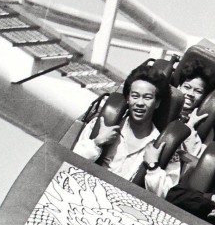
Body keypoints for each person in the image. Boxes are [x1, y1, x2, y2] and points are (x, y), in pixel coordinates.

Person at [72, 64, 181, 197]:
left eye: (147, 97)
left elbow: (167, 195)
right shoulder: (100, 125)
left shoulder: (163, 146)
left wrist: (153, 166)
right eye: (135, 96)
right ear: (128, 99)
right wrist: (96, 142)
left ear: (157, 103)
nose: (140, 103)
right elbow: (72, 159)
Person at [174, 57, 215, 160]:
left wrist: (190, 126)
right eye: (186, 87)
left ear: (204, 96)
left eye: (198, 91)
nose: (190, 94)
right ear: (179, 86)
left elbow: (197, 157)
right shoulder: (165, 108)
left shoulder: (204, 124)